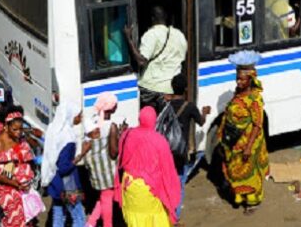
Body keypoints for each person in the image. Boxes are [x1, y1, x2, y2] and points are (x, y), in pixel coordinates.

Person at [218, 50, 269, 215]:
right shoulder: (238, 93)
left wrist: (248, 146)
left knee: (249, 171)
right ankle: (239, 196)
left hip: (249, 142)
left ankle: (252, 201)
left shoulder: (254, 100)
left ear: (251, 79)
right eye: (237, 79)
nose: (238, 82)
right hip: (234, 140)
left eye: (242, 79)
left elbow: (257, 125)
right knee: (234, 168)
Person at [114, 107, 181, 227]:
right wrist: (172, 194)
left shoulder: (128, 134)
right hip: (149, 189)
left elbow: (121, 156)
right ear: (154, 120)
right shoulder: (159, 140)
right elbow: (168, 170)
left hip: (129, 185)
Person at [163, 74, 211, 220]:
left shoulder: (167, 106)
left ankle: (167, 210)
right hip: (181, 151)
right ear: (185, 89)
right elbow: (201, 122)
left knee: (169, 181)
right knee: (180, 182)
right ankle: (175, 216)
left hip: (168, 149)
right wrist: (204, 113)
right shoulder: (189, 106)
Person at [123, 5, 187, 110]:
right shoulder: (179, 35)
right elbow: (182, 59)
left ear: (152, 18)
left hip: (152, 89)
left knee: (150, 120)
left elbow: (141, 61)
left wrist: (128, 39)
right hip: (171, 88)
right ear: (166, 17)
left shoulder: (151, 35)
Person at [0, 106, 35, 227]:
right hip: (7, 189)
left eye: (21, 129)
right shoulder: (0, 143)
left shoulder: (19, 138)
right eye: (15, 129)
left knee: (28, 218)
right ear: (6, 127)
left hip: (22, 186)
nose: (18, 132)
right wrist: (17, 183)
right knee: (14, 221)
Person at [41, 102, 86, 227]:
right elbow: (64, 167)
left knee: (58, 214)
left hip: (54, 180)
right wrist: (80, 156)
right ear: (71, 116)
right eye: (78, 115)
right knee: (79, 217)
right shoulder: (68, 138)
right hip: (68, 184)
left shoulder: (53, 129)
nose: (80, 118)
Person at [83, 94, 121, 227]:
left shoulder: (91, 122)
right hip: (107, 171)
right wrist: (120, 136)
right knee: (107, 199)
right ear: (112, 109)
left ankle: (91, 222)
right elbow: (113, 152)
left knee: (104, 197)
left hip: (95, 170)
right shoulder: (111, 126)